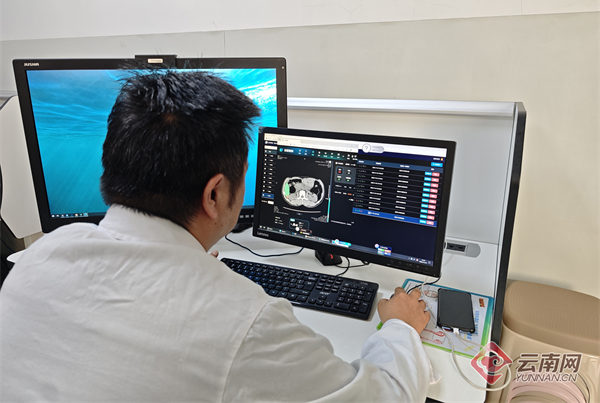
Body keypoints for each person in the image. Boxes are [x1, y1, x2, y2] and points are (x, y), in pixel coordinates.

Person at [1, 70, 436, 402]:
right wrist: (400, 327)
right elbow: (387, 396)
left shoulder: (38, 257)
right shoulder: (247, 325)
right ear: (215, 194)